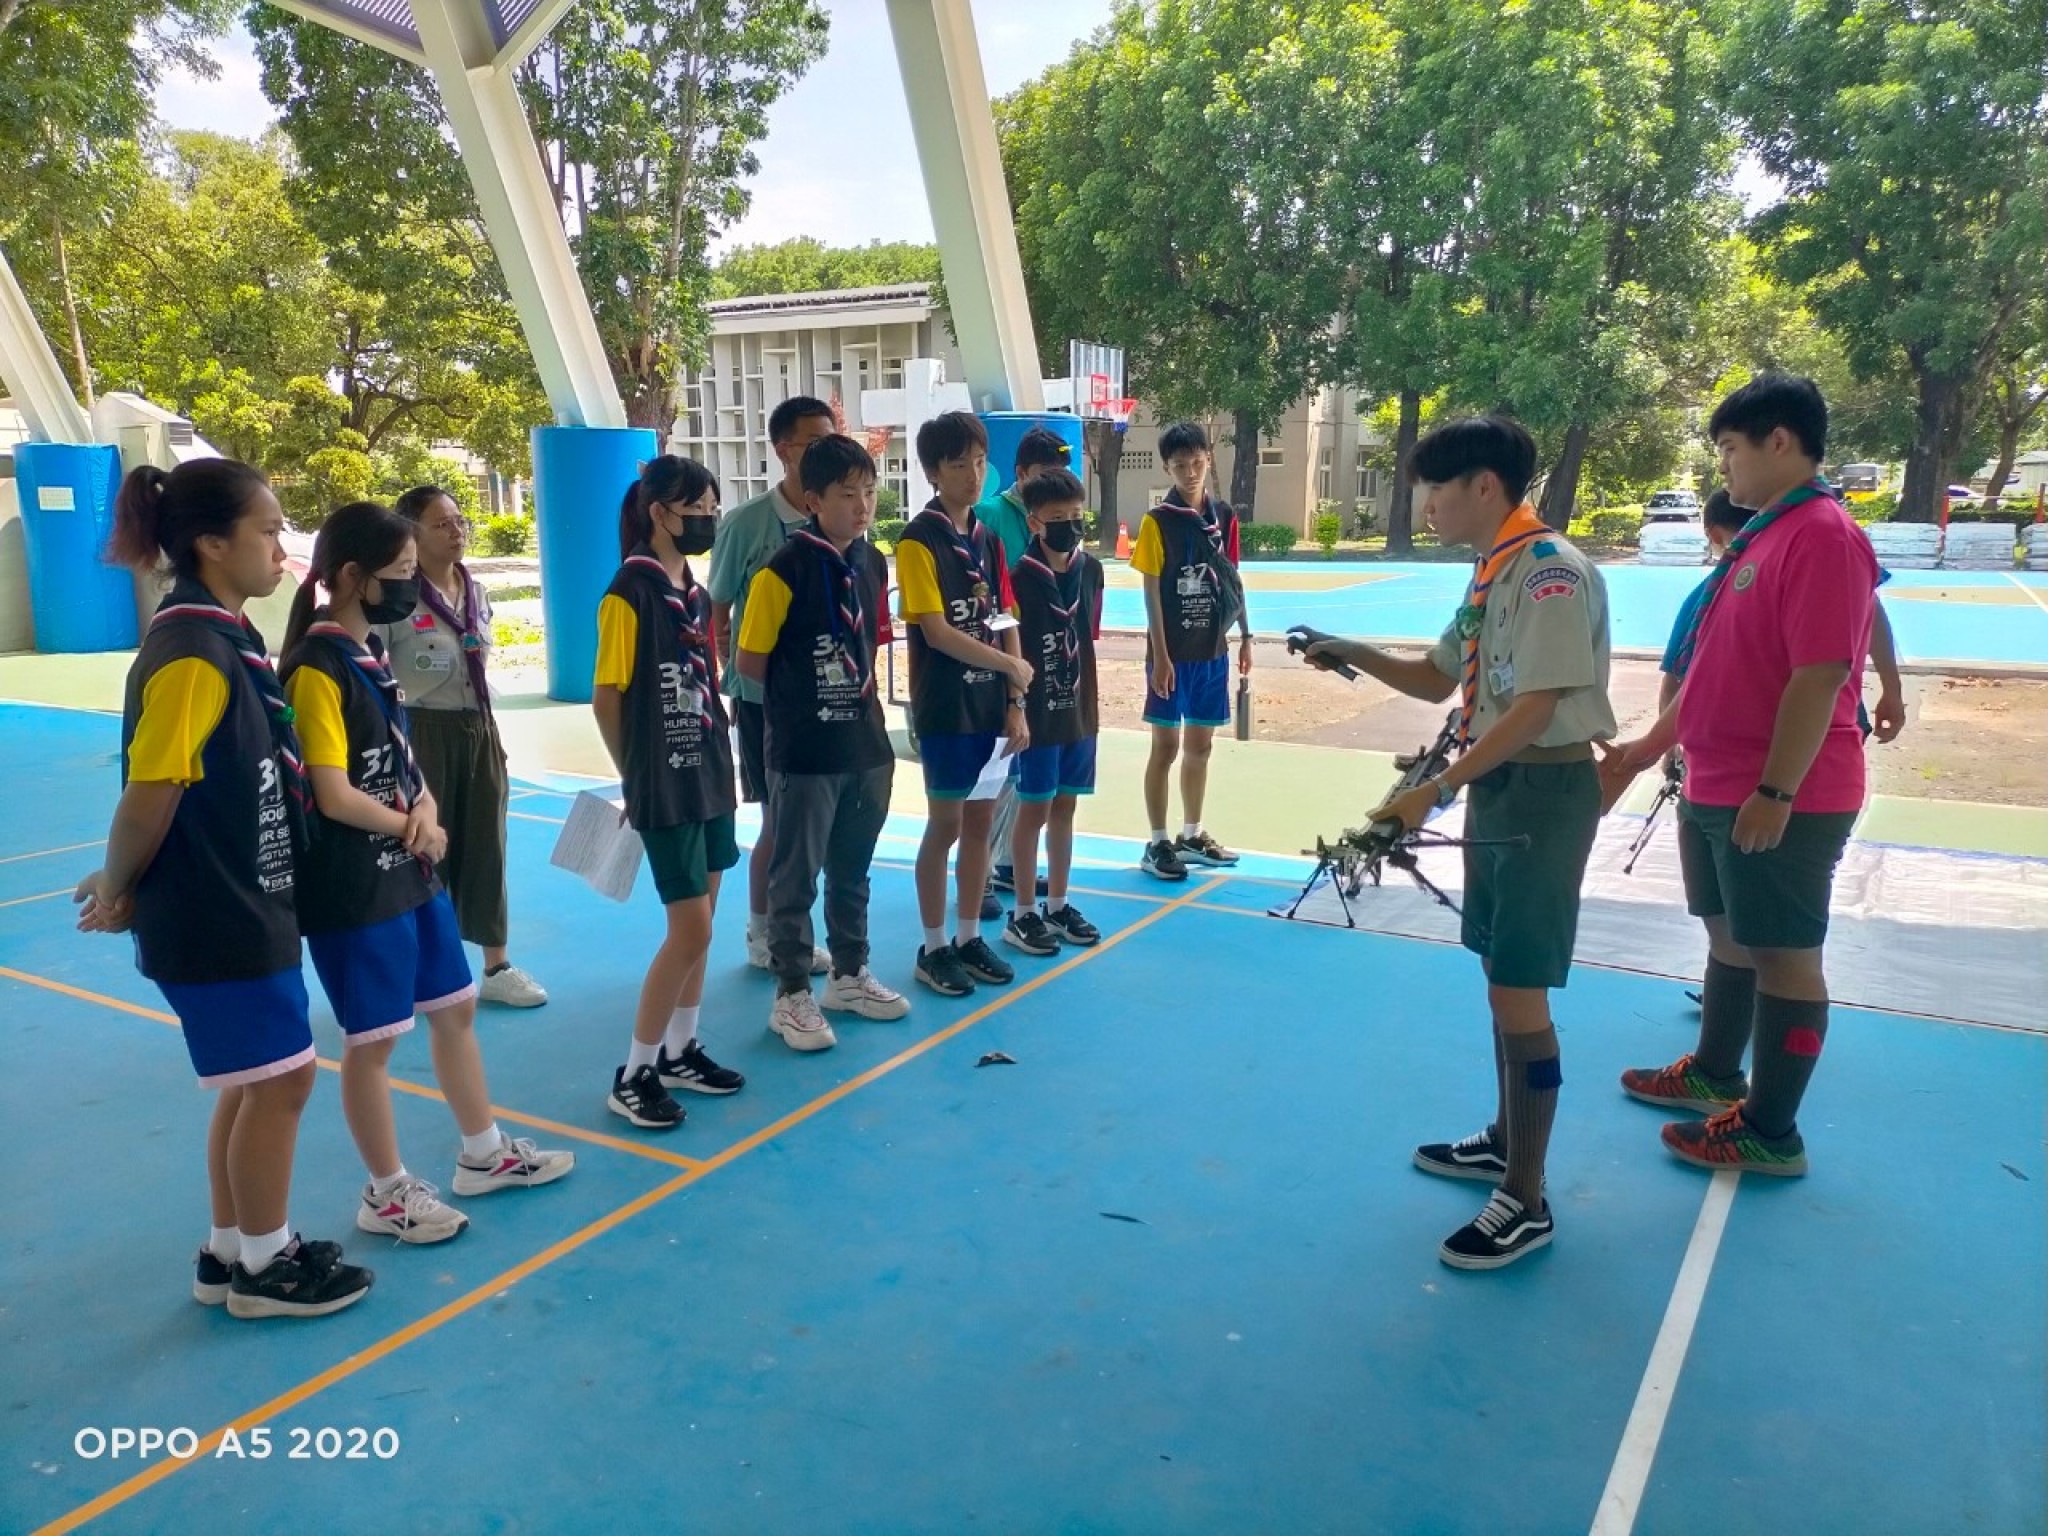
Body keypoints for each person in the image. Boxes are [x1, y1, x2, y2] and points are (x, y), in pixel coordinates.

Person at [1301, 416, 1615, 1270]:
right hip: (1504, 786)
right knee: (1500, 978)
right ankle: (1508, 1141)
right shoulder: (1492, 569)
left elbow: (1535, 710)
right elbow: (1441, 678)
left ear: (1484, 485)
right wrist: (1349, 649)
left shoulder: (1548, 572)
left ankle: (1527, 1198)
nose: (1427, 505)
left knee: (1520, 988)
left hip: (1544, 790)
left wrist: (1434, 790)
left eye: (1436, 489)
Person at [79, 459, 374, 1319]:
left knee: (254, 1080)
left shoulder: (223, 640)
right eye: (268, 531)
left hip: (244, 894)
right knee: (284, 1083)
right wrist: (118, 885)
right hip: (220, 909)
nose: (282, 549)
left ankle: (228, 1250)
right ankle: (266, 1267)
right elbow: (152, 790)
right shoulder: (193, 654)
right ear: (212, 543)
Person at [1602, 375, 1877, 1177]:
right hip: (1716, 782)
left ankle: (1770, 1129)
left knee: (1784, 954)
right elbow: (1711, 670)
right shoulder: (1760, 538)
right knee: (1728, 934)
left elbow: (1820, 675)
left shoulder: (1822, 536)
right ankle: (1716, 1071)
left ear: (1778, 441)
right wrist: (1649, 747)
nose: (1722, 465)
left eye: (1729, 448)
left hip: (1780, 794)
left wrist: (1777, 791)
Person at [282, 502, 574, 1244]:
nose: (412, 586)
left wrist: (426, 807)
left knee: (455, 1008)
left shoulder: (370, 656)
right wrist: (411, 824)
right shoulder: (316, 668)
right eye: (402, 573)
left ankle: (483, 1153)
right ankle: (385, 1192)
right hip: (358, 882)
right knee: (374, 1040)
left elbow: (399, 761)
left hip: (409, 870)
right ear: (354, 576)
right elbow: (331, 791)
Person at [736, 434, 910, 1051]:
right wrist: (809, 694)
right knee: (795, 875)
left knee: (853, 869)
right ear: (813, 500)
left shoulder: (872, 562)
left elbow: (869, 644)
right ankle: (790, 994)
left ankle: (849, 975)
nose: (862, 507)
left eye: (870, 492)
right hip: (806, 750)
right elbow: (750, 661)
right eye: (846, 494)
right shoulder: (781, 571)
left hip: (865, 746)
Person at [593, 456, 749, 1129]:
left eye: (713, 508)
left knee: (704, 919)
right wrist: (634, 774)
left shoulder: (696, 593)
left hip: (709, 767)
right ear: (658, 513)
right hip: (663, 777)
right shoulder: (628, 592)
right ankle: (634, 1072)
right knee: (691, 927)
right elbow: (607, 697)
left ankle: (682, 1048)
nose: (707, 520)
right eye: (696, 510)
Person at [380, 485, 545, 1008]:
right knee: (426, 847)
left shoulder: (476, 591)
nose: (456, 532)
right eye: (442, 524)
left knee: (488, 845)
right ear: (412, 532)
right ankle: (423, 967)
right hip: (422, 729)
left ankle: (497, 966)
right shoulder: (397, 597)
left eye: (459, 522)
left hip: (479, 726)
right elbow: (376, 676)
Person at [896, 409, 1034, 997]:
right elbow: (936, 631)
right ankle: (932, 947)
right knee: (947, 824)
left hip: (991, 708)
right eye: (958, 465)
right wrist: (1008, 666)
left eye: (980, 462)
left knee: (982, 822)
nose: (973, 475)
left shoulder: (989, 540)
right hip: (947, 707)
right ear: (933, 472)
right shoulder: (917, 541)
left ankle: (969, 936)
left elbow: (1005, 619)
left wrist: (1016, 699)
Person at [708, 395, 837, 978]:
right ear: (783, 450)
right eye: (814, 442)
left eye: (832, 440)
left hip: (826, 700)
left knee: (816, 825)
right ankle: (764, 934)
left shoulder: (835, 519)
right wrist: (731, 682)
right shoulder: (747, 524)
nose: (825, 452)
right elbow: (718, 614)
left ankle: (795, 930)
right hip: (765, 699)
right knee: (778, 823)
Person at [1134, 421, 1253, 881]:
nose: (1190, 472)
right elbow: (1151, 591)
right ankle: (1158, 842)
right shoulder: (1157, 522)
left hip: (1212, 651)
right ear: (1167, 467)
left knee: (1200, 746)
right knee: (1165, 747)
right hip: (1172, 655)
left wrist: (1245, 636)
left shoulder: (1224, 516)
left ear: (1208, 459)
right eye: (1180, 465)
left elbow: (1233, 581)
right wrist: (1160, 656)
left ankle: (1192, 835)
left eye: (1197, 463)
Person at [1002, 466, 1106, 956]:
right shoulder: (1018, 579)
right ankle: (1023, 912)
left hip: (1080, 709)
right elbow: (1009, 648)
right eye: (1058, 518)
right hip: (1038, 713)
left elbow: (1089, 632)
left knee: (1066, 805)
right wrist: (1016, 706)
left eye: (1076, 515)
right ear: (1034, 523)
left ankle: (1058, 904)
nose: (1070, 525)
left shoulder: (1090, 570)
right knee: (1034, 809)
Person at [979, 426, 1075, 908]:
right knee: (995, 778)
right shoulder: (991, 516)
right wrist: (1002, 665)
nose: (1054, 479)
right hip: (999, 663)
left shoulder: (1063, 524)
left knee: (1024, 782)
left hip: (1043, 670)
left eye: (1061, 470)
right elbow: (988, 600)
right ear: (1020, 474)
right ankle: (977, 877)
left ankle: (1007, 867)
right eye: (1044, 472)